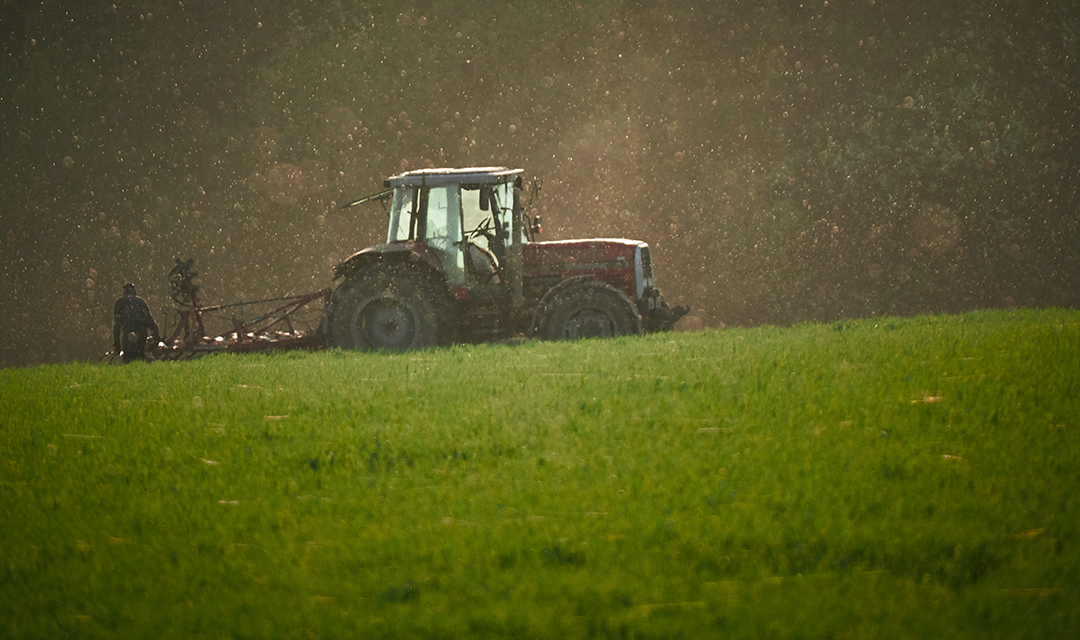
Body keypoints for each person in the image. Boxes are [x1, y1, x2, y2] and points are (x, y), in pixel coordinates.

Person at [113, 283, 160, 363]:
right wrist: (156, 336)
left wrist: (117, 343)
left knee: (128, 356)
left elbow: (117, 324)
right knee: (140, 354)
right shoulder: (141, 301)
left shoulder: (119, 302)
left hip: (128, 330)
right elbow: (149, 319)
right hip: (141, 330)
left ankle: (129, 372)